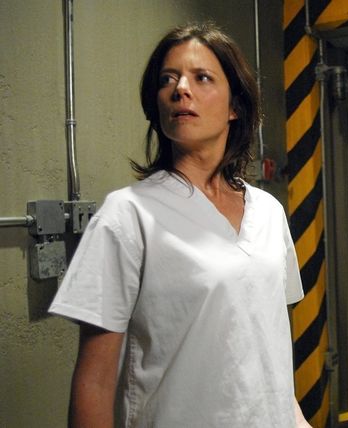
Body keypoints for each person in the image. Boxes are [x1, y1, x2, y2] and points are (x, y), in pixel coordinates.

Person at [49, 22, 311, 427]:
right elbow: (94, 385)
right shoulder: (128, 215)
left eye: (201, 77)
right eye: (167, 80)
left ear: (235, 106)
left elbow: (266, 350)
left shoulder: (268, 212)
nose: (180, 89)